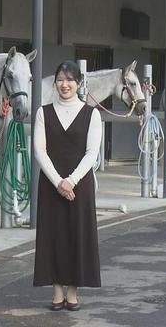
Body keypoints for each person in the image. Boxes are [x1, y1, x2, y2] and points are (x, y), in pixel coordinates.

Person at [33, 60, 102, 311]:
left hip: (80, 186)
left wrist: (71, 181)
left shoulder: (91, 114)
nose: (65, 84)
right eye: (61, 79)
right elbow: (40, 151)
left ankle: (72, 292)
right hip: (51, 184)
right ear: (55, 83)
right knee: (53, 237)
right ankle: (56, 291)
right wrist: (58, 182)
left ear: (79, 83)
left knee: (77, 236)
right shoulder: (43, 112)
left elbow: (91, 153)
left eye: (70, 79)